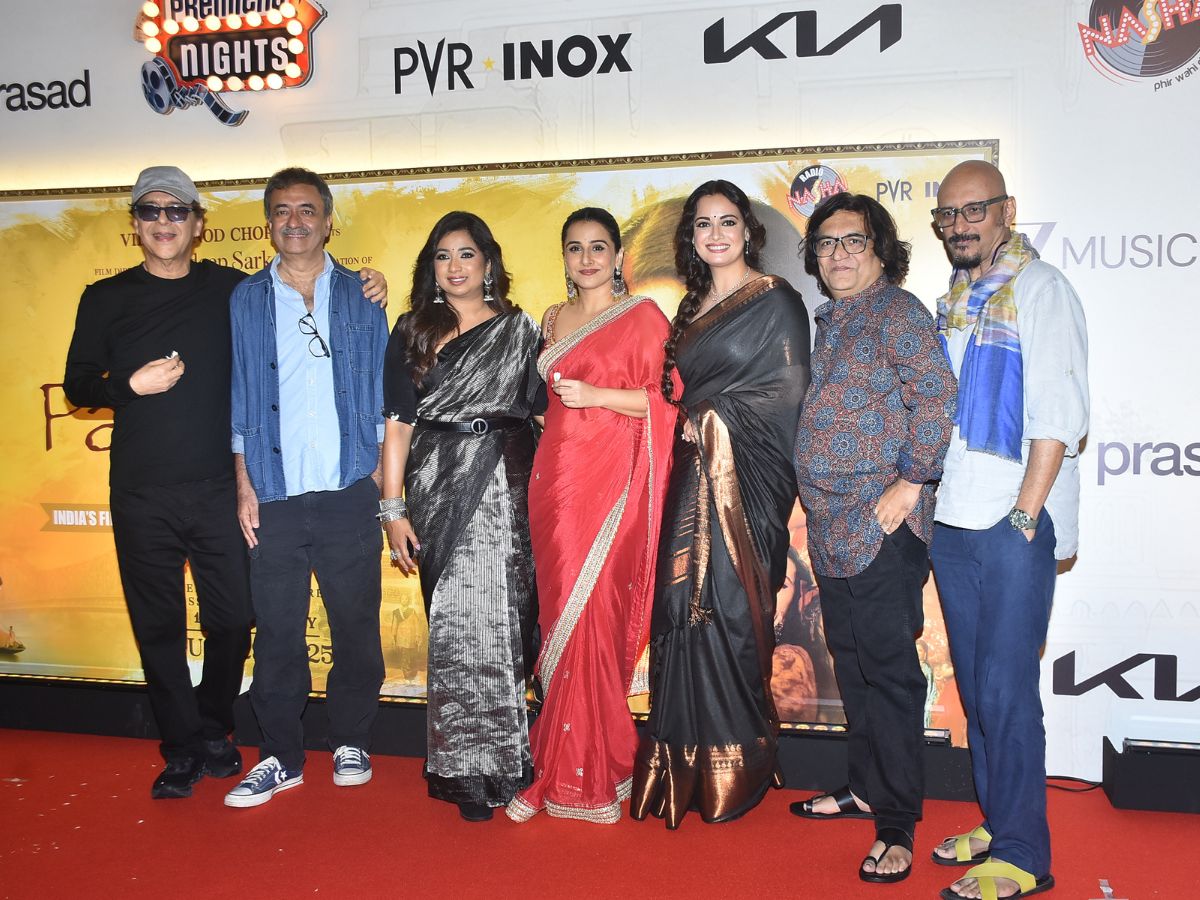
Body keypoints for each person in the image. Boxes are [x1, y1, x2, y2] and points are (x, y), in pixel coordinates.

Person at [63, 166, 253, 799]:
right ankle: (183, 747)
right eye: (151, 211)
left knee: (234, 618)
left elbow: (302, 288)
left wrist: (367, 281)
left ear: (198, 225)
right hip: (141, 492)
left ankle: (215, 723)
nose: (164, 222)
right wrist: (128, 385)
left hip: (218, 488)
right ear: (135, 225)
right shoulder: (105, 297)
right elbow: (78, 386)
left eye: (177, 211)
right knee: (159, 627)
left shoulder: (232, 289)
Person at [929, 161, 1088, 900]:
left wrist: (1025, 516)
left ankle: (1023, 854)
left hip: (1012, 521)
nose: (961, 225)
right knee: (976, 690)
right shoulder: (956, 301)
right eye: (949, 215)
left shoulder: (1041, 288)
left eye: (975, 210)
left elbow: (1058, 414)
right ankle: (998, 823)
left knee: (1007, 689)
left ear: (1007, 210)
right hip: (955, 520)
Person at [630, 179, 811, 828]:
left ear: (747, 231)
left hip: (748, 483)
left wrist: (710, 418)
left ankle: (739, 765)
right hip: (692, 477)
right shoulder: (693, 306)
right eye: (703, 224)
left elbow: (787, 394)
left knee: (731, 612)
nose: (715, 234)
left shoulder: (776, 300)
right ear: (691, 236)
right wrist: (696, 419)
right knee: (682, 610)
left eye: (727, 221)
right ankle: (684, 760)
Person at [791, 193, 956, 884]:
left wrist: (912, 481)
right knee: (853, 664)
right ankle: (863, 787)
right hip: (832, 526)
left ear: (880, 249)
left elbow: (938, 396)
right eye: (826, 244)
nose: (838, 254)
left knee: (889, 675)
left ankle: (896, 823)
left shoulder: (898, 313)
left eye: (853, 240)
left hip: (882, 527)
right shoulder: (832, 321)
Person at [506, 208, 678, 824]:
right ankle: (561, 758)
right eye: (575, 248)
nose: (587, 259)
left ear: (619, 257)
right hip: (553, 481)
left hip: (612, 489)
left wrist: (597, 396)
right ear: (564, 257)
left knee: (595, 616)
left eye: (598, 247)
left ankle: (591, 771)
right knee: (558, 615)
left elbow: (669, 401)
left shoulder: (645, 317)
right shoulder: (553, 318)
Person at [225, 167, 390, 808]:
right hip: (274, 492)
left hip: (350, 487)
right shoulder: (245, 299)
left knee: (356, 625)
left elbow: (382, 390)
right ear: (269, 222)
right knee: (277, 633)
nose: (294, 222)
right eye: (282, 211)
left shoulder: (363, 294)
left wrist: (379, 476)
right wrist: (244, 485)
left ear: (327, 220)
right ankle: (280, 757)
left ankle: (352, 739)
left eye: (307, 210)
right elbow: (242, 396)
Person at [379, 211, 541, 822]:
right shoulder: (411, 330)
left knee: (505, 622)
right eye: (443, 256)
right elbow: (398, 423)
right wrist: (393, 509)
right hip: (436, 483)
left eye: (466, 254)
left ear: (488, 262)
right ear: (431, 267)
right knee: (453, 626)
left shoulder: (521, 330)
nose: (455, 266)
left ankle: (508, 763)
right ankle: (462, 769)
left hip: (508, 479)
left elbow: (545, 413)